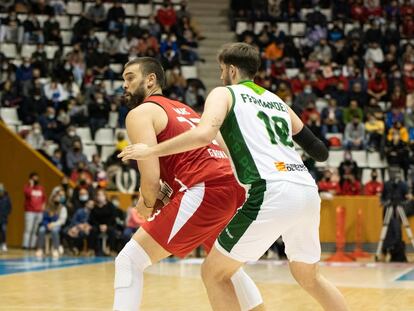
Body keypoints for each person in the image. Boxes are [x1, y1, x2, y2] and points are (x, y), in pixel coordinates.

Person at [119, 44, 348, 311]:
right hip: (306, 189)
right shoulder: (277, 100)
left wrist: (152, 150)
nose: (219, 77)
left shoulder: (224, 94)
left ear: (230, 69)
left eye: (220, 71)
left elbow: (203, 135)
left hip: (270, 191)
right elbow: (319, 151)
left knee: (214, 273)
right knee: (310, 277)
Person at [113, 57, 264, 311]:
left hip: (206, 189)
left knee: (129, 261)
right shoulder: (185, 110)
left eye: (129, 78)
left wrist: (147, 204)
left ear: (151, 80)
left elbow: (150, 181)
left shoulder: (139, 113)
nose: (124, 85)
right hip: (232, 188)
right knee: (225, 269)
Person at [35, 188, 68, 258]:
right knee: (41, 230)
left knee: (55, 230)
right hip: (47, 225)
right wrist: (47, 224)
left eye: (58, 197)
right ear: (52, 198)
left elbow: (62, 221)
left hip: (57, 225)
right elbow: (44, 218)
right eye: (55, 197)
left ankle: (55, 249)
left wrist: (53, 224)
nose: (56, 198)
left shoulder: (63, 208)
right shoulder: (48, 207)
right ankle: (40, 249)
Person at [22, 173, 47, 249]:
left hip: (39, 212)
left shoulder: (41, 188)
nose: (36, 179)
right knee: (28, 229)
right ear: (30, 179)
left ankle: (32, 245)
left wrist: (43, 206)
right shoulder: (27, 187)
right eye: (34, 178)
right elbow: (27, 194)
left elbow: (44, 199)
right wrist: (31, 186)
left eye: (37, 178)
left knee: (35, 230)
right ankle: (25, 245)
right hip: (30, 211)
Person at [0, 183, 12, 252]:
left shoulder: (7, 197)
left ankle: (4, 244)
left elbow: (9, 207)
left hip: (3, 218)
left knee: (3, 231)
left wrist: (6, 214)